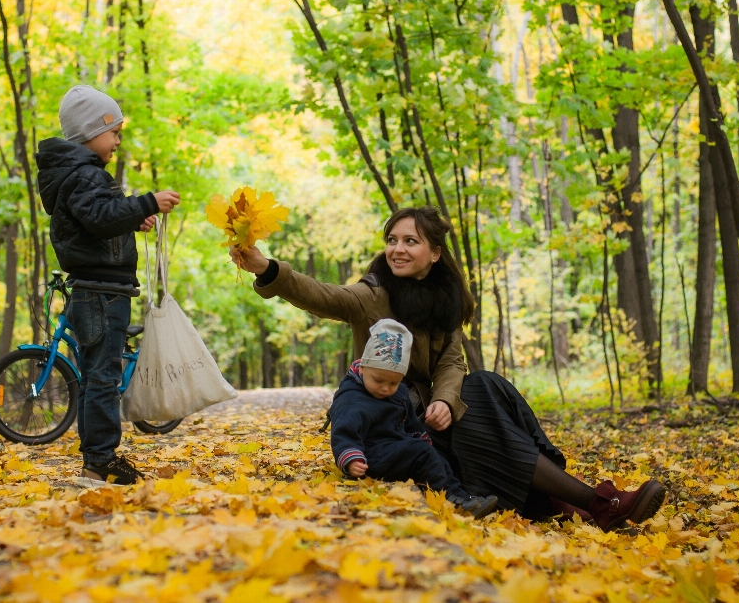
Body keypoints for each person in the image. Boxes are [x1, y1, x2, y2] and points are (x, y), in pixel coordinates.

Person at [231, 206, 666, 532]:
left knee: (488, 386)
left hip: (434, 412)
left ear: (435, 253)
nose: (398, 249)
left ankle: (570, 501)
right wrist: (268, 268)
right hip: (397, 421)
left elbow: (452, 362)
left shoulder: (445, 301)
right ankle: (594, 501)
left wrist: (443, 398)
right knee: (480, 399)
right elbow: (322, 295)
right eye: (393, 240)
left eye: (410, 241)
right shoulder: (373, 294)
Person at [37, 85, 180, 485]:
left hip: (101, 288)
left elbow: (96, 221)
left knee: (96, 374)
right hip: (100, 291)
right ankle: (100, 461)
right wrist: (147, 202)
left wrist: (131, 219)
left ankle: (96, 459)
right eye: (113, 131)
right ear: (91, 131)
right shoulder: (83, 174)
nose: (118, 140)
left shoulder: (81, 175)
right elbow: (99, 216)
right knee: (103, 375)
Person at [330, 319, 499, 519]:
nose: (386, 388)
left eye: (394, 382)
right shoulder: (351, 398)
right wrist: (351, 458)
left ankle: (462, 497)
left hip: (395, 448)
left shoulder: (399, 394)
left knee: (436, 457)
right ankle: (446, 498)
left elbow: (410, 424)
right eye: (378, 380)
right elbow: (343, 432)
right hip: (369, 455)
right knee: (421, 453)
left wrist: (422, 439)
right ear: (364, 368)